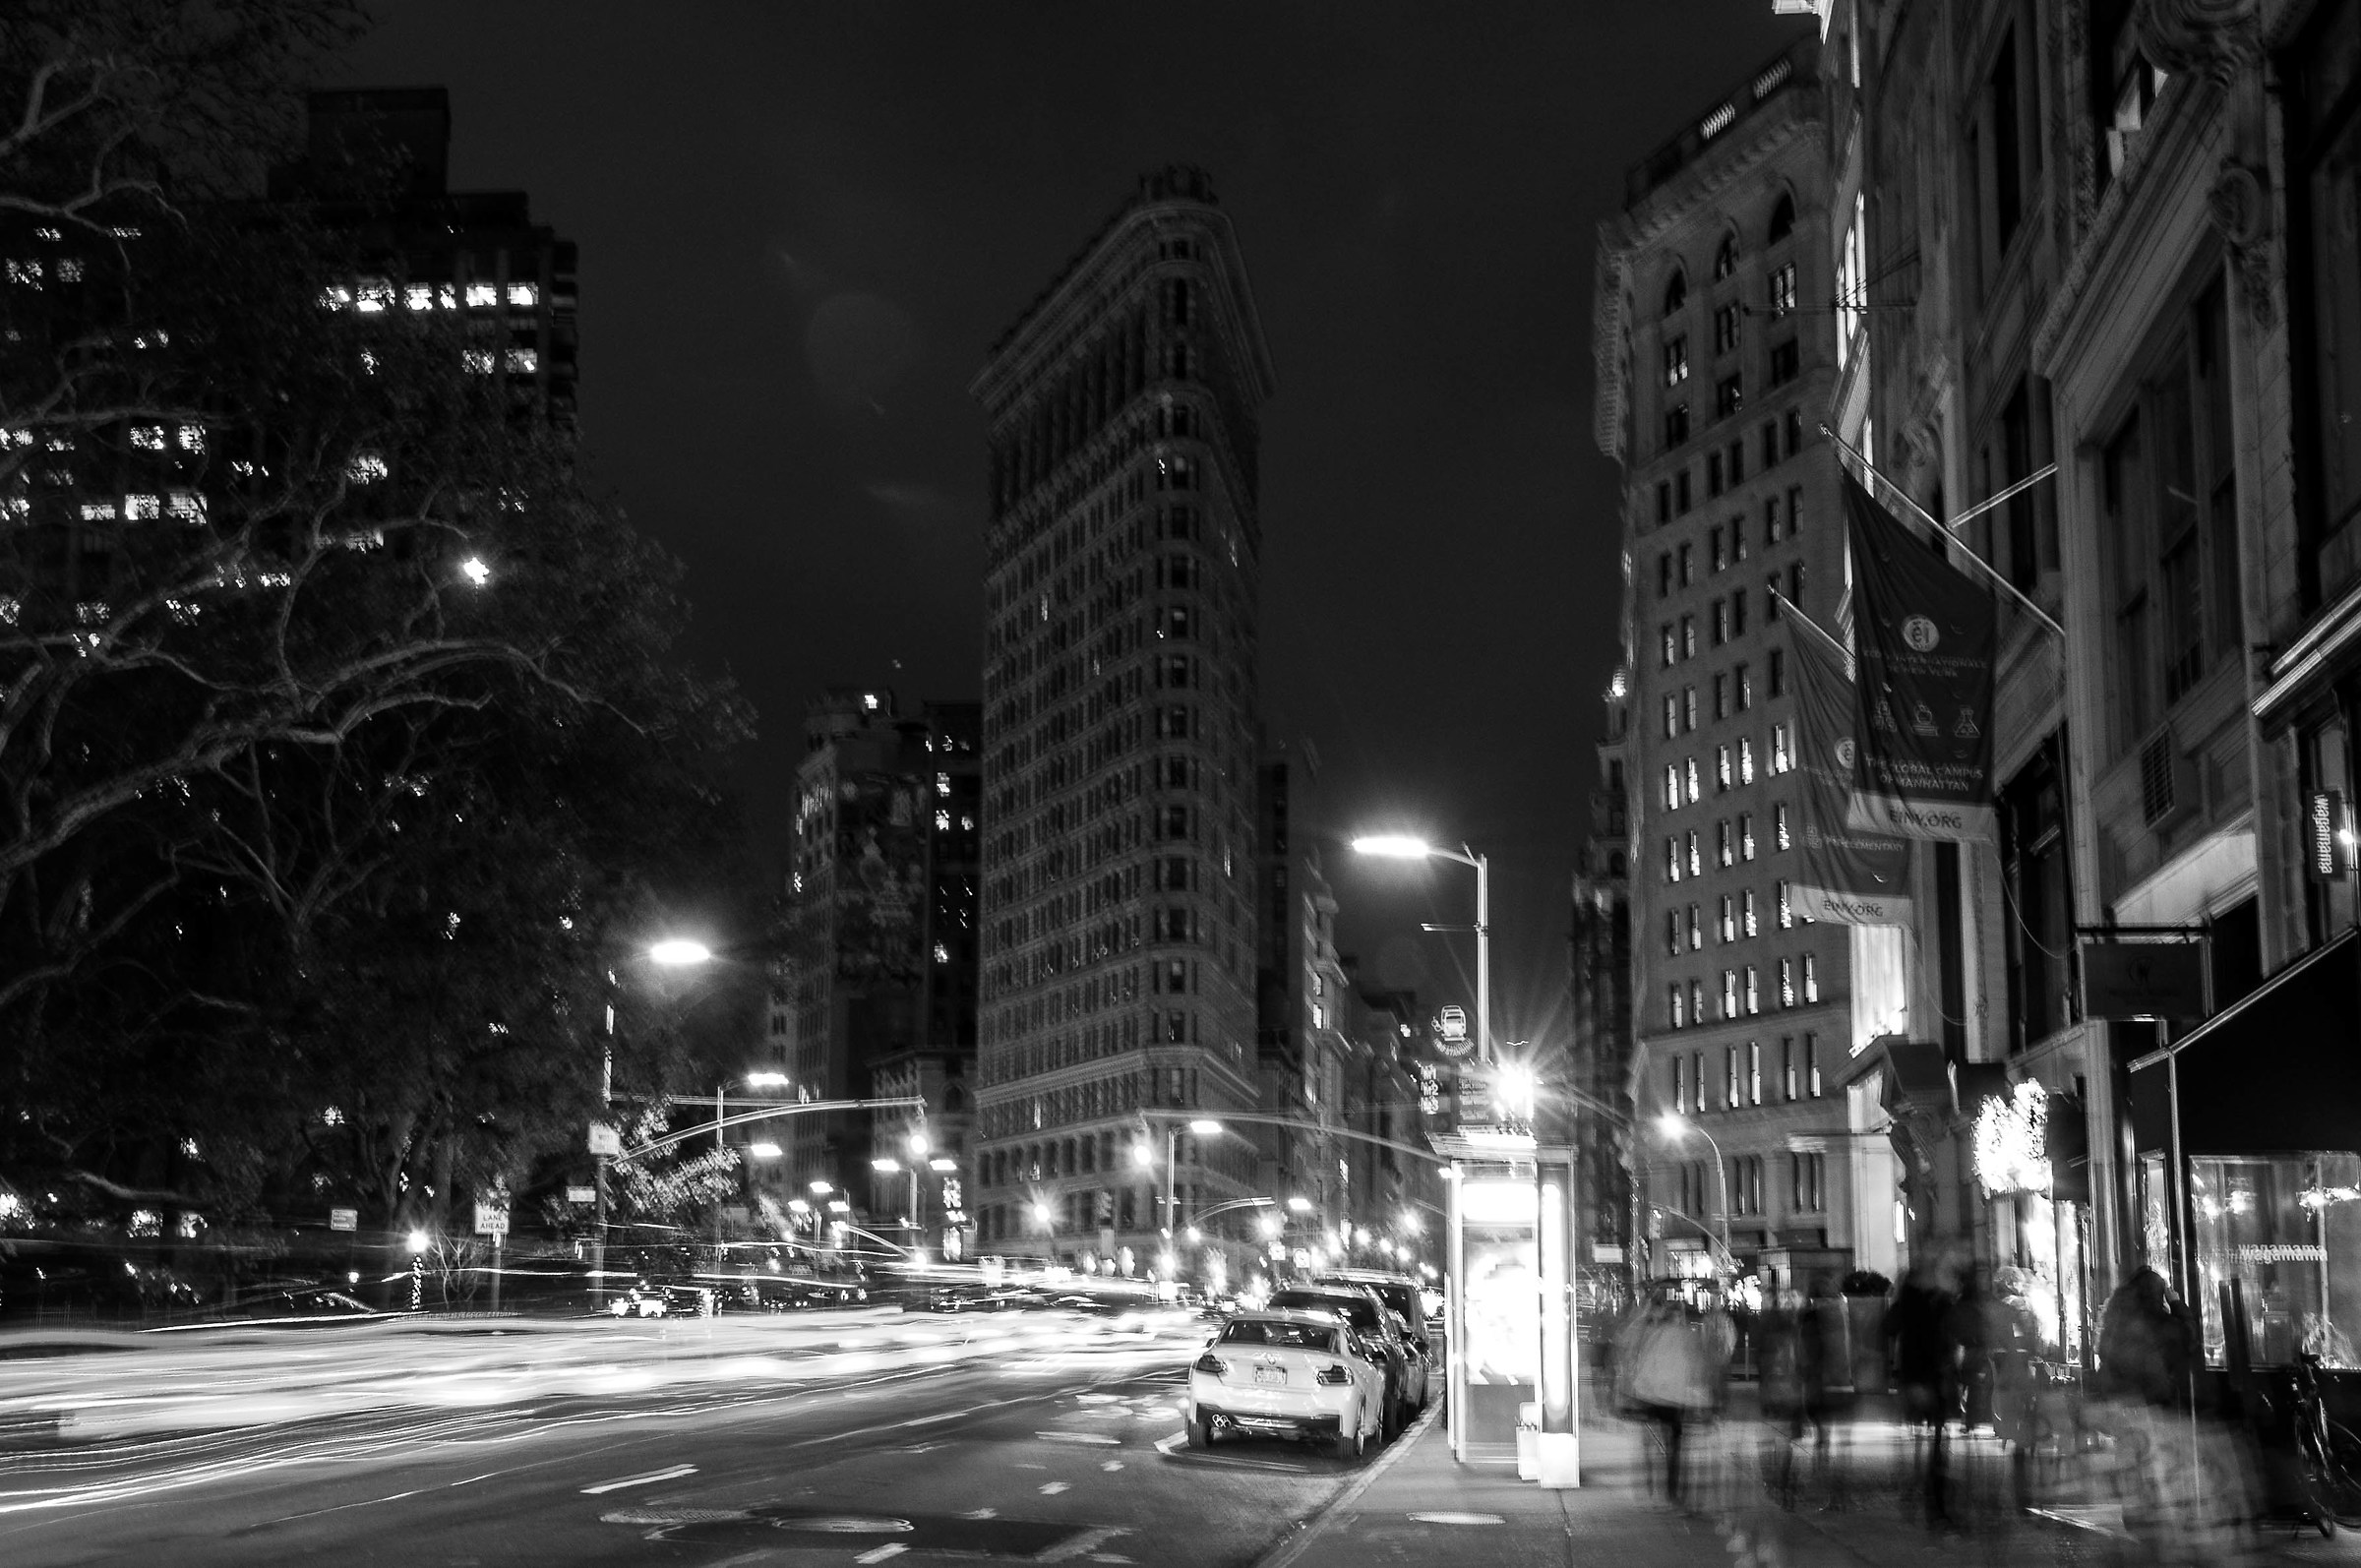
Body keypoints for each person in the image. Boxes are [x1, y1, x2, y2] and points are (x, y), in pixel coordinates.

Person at [1885, 1257, 1960, 1528]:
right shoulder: (1937, 1302)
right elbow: (1948, 1338)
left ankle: (1921, 1491)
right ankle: (1935, 1502)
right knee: (1936, 1441)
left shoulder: (1908, 1304)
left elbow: (1887, 1328)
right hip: (1931, 1377)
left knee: (1924, 1440)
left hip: (1915, 1377)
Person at [1619, 1295, 1712, 1506]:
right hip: (1676, 1401)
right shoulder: (1688, 1337)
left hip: (1654, 1398)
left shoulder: (1655, 1335)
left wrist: (1636, 1392)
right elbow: (1696, 1369)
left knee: (1653, 1441)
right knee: (1675, 1446)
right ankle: (1672, 1490)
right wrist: (1703, 1400)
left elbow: (1645, 1364)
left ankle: (1651, 1482)